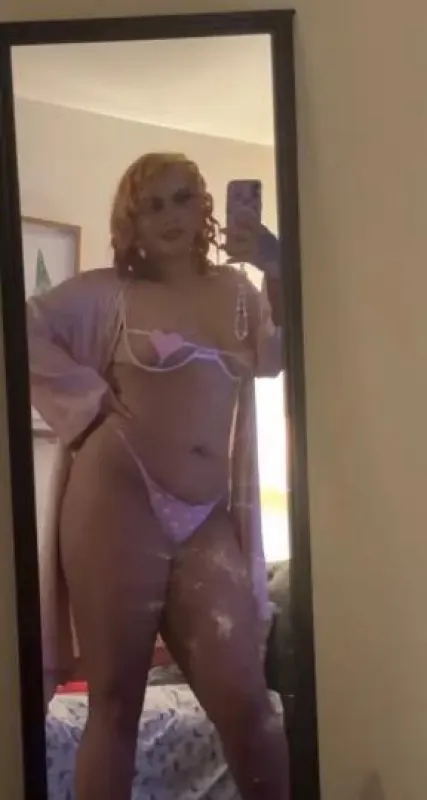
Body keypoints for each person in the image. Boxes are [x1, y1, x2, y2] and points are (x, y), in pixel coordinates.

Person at [27, 152, 289, 800]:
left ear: (205, 207)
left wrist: (275, 262)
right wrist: (88, 404)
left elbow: (277, 356)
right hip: (120, 495)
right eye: (152, 206)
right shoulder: (108, 293)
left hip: (206, 518)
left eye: (182, 198)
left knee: (250, 710)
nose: (170, 215)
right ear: (132, 223)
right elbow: (22, 325)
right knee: (115, 704)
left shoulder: (237, 293)